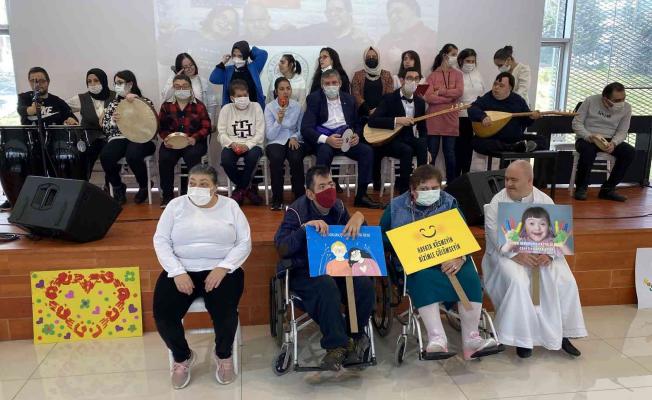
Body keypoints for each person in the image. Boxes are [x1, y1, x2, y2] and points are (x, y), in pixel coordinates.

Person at [380, 164, 503, 360]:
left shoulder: (449, 202)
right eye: (424, 189)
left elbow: (462, 233)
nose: (430, 192)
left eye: (434, 188)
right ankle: (437, 338)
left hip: (450, 256)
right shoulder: (396, 207)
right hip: (417, 262)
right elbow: (381, 236)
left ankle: (472, 339)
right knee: (422, 276)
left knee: (468, 274)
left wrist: (460, 257)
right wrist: (403, 242)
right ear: (412, 190)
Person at [153, 164, 250, 388]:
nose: (197, 188)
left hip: (221, 269)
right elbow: (161, 240)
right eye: (193, 183)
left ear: (215, 187)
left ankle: (223, 355)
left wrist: (224, 267)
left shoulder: (230, 206)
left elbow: (244, 242)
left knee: (225, 312)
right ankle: (182, 357)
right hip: (182, 269)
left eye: (204, 184)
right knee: (163, 314)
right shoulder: (175, 206)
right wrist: (177, 271)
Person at [274, 166, 375, 371]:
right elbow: (282, 247)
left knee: (364, 283)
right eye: (322, 186)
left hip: (337, 267)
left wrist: (360, 218)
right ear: (310, 193)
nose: (329, 189)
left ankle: (355, 336)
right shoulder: (296, 211)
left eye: (330, 184)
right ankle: (336, 346)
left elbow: (357, 239)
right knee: (326, 285)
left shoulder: (338, 207)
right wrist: (304, 229)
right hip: (305, 271)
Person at [483, 160, 587, 359]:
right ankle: (522, 338)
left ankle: (562, 333)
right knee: (519, 281)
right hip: (507, 254)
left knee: (565, 281)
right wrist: (516, 254)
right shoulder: (497, 202)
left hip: (543, 253)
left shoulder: (545, 199)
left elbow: (557, 233)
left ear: (529, 181)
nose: (508, 184)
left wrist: (549, 254)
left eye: (514, 180)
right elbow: (495, 235)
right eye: (506, 179)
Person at [301, 69, 382, 209]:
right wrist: (327, 139)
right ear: (322, 85)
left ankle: (361, 196)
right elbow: (306, 128)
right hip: (326, 140)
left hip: (346, 139)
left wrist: (356, 135)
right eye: (327, 83)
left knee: (367, 151)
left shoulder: (349, 99)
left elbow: (357, 123)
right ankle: (322, 196)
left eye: (334, 82)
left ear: (339, 83)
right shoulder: (314, 99)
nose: (331, 86)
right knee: (324, 152)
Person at [368, 66, 428, 194]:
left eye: (416, 79)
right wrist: (396, 120)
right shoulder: (389, 98)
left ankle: (422, 185)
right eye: (409, 78)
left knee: (422, 144)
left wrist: (426, 149)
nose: (413, 82)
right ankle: (404, 191)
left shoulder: (420, 102)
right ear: (402, 80)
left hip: (409, 138)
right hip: (390, 140)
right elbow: (373, 120)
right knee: (407, 150)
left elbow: (423, 128)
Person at [100, 70, 157, 205]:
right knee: (106, 156)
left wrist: (137, 103)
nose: (117, 86)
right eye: (115, 83)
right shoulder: (113, 104)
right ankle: (118, 187)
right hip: (118, 138)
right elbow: (106, 129)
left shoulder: (144, 101)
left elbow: (151, 125)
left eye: (120, 83)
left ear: (130, 84)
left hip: (141, 138)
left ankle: (144, 186)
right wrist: (113, 121)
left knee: (133, 155)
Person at [571, 82, 634, 202]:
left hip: (610, 139)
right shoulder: (590, 101)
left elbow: (622, 131)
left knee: (629, 152)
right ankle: (581, 188)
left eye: (623, 98)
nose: (621, 102)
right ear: (605, 98)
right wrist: (588, 136)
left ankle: (607, 189)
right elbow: (576, 123)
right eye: (617, 100)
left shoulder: (627, 108)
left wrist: (614, 143)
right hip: (588, 137)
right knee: (587, 151)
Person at [158, 74, 212, 208]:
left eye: (185, 86)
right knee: (165, 158)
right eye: (177, 87)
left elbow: (206, 127)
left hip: (193, 141)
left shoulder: (199, 106)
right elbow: (161, 127)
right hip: (173, 142)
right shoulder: (166, 106)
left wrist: (195, 138)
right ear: (173, 88)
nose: (181, 89)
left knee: (193, 156)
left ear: (190, 87)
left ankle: (193, 194)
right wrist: (166, 138)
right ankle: (167, 196)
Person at [469, 72, 545, 155]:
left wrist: (531, 117)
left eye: (501, 86)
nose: (496, 87)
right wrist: (482, 116)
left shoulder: (518, 100)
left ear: (510, 88)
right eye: (495, 84)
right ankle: (514, 147)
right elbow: (472, 108)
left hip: (514, 138)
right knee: (477, 142)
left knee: (542, 140)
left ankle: (523, 146)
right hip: (494, 138)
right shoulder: (487, 98)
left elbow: (526, 122)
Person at [218, 79, 265, 206]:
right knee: (226, 160)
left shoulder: (256, 107)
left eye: (245, 95)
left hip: (253, 144)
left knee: (252, 158)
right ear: (232, 98)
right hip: (232, 144)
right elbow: (221, 133)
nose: (243, 98)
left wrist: (247, 145)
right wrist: (232, 144)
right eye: (239, 96)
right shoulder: (226, 109)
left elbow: (260, 133)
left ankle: (240, 190)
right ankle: (246, 189)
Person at [66, 68, 116, 184]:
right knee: (82, 156)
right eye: (89, 81)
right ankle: (82, 186)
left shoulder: (115, 97)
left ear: (103, 81)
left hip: (110, 138)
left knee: (111, 155)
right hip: (89, 138)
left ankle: (111, 187)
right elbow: (62, 109)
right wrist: (69, 118)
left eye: (96, 80)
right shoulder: (81, 98)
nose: (92, 84)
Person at [265, 77, 306, 210]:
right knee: (276, 159)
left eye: (288, 88)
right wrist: (279, 120)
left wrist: (294, 137)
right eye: (282, 89)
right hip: (275, 140)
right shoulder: (270, 107)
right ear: (276, 91)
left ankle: (300, 197)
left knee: (296, 158)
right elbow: (270, 135)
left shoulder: (297, 106)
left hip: (293, 138)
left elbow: (301, 129)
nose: (285, 92)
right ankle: (277, 199)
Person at [424, 44, 463, 183]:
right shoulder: (432, 76)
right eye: (453, 54)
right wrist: (448, 98)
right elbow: (428, 97)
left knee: (450, 154)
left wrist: (440, 91)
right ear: (445, 56)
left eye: (456, 54)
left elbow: (459, 92)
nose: (455, 57)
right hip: (433, 119)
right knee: (432, 154)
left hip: (451, 120)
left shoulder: (458, 74)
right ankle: (429, 183)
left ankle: (452, 184)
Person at [377, 0, 437, 69]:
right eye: (390, 14)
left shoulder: (431, 37)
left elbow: (429, 68)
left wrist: (402, 59)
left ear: (413, 10)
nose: (393, 17)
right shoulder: (385, 39)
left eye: (398, 11)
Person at [160, 53, 218, 125]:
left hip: (199, 122)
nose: (190, 68)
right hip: (179, 122)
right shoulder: (173, 79)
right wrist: (176, 79)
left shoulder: (203, 81)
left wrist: (211, 123)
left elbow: (212, 103)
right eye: (185, 67)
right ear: (180, 69)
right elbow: (165, 96)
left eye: (191, 65)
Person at [210, 40, 268, 109]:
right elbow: (213, 79)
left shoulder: (254, 67)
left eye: (240, 56)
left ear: (245, 55)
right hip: (232, 111)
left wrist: (249, 51)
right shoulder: (228, 70)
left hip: (253, 110)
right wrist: (222, 63)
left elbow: (263, 54)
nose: (236, 58)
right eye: (234, 55)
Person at [456, 49, 486, 176]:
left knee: (470, 149)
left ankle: (466, 176)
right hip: (460, 116)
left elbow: (482, 93)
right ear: (461, 60)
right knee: (459, 149)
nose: (470, 64)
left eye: (473, 61)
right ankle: (456, 178)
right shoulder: (456, 74)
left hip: (476, 117)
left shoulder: (478, 74)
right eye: (468, 61)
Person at [501, 206, 572, 257]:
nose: (537, 228)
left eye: (542, 224)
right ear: (524, 227)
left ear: (549, 227)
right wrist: (509, 244)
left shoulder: (554, 243)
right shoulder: (518, 241)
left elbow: (568, 260)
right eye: (532, 223)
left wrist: (562, 245)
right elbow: (502, 255)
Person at [351, 46, 394, 118]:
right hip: (363, 115)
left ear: (378, 58)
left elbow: (389, 95)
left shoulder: (387, 75)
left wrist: (378, 110)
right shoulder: (357, 75)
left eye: (374, 56)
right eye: (368, 57)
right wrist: (368, 110)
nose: (371, 58)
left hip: (383, 114)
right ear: (364, 59)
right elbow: (356, 94)